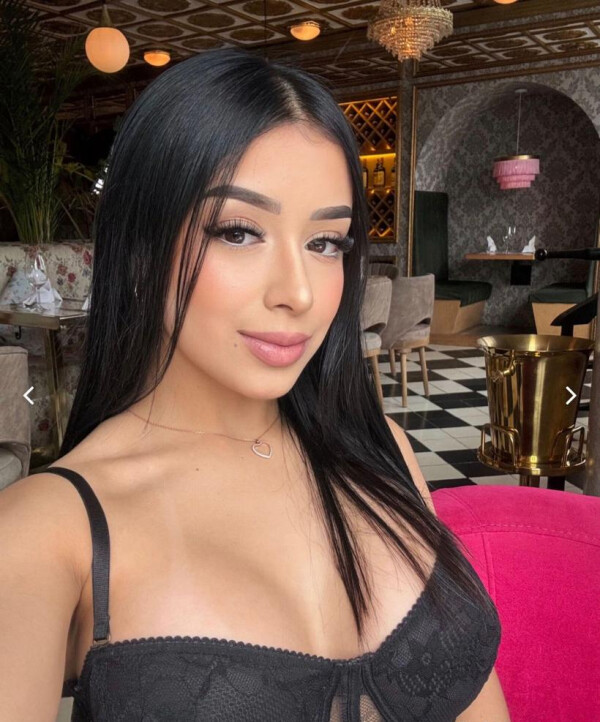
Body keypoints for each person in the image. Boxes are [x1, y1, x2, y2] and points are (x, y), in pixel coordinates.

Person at [0, 47, 511, 721]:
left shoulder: (384, 450)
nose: (298, 293)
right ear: (141, 249)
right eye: (239, 232)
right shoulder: (47, 530)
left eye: (326, 243)